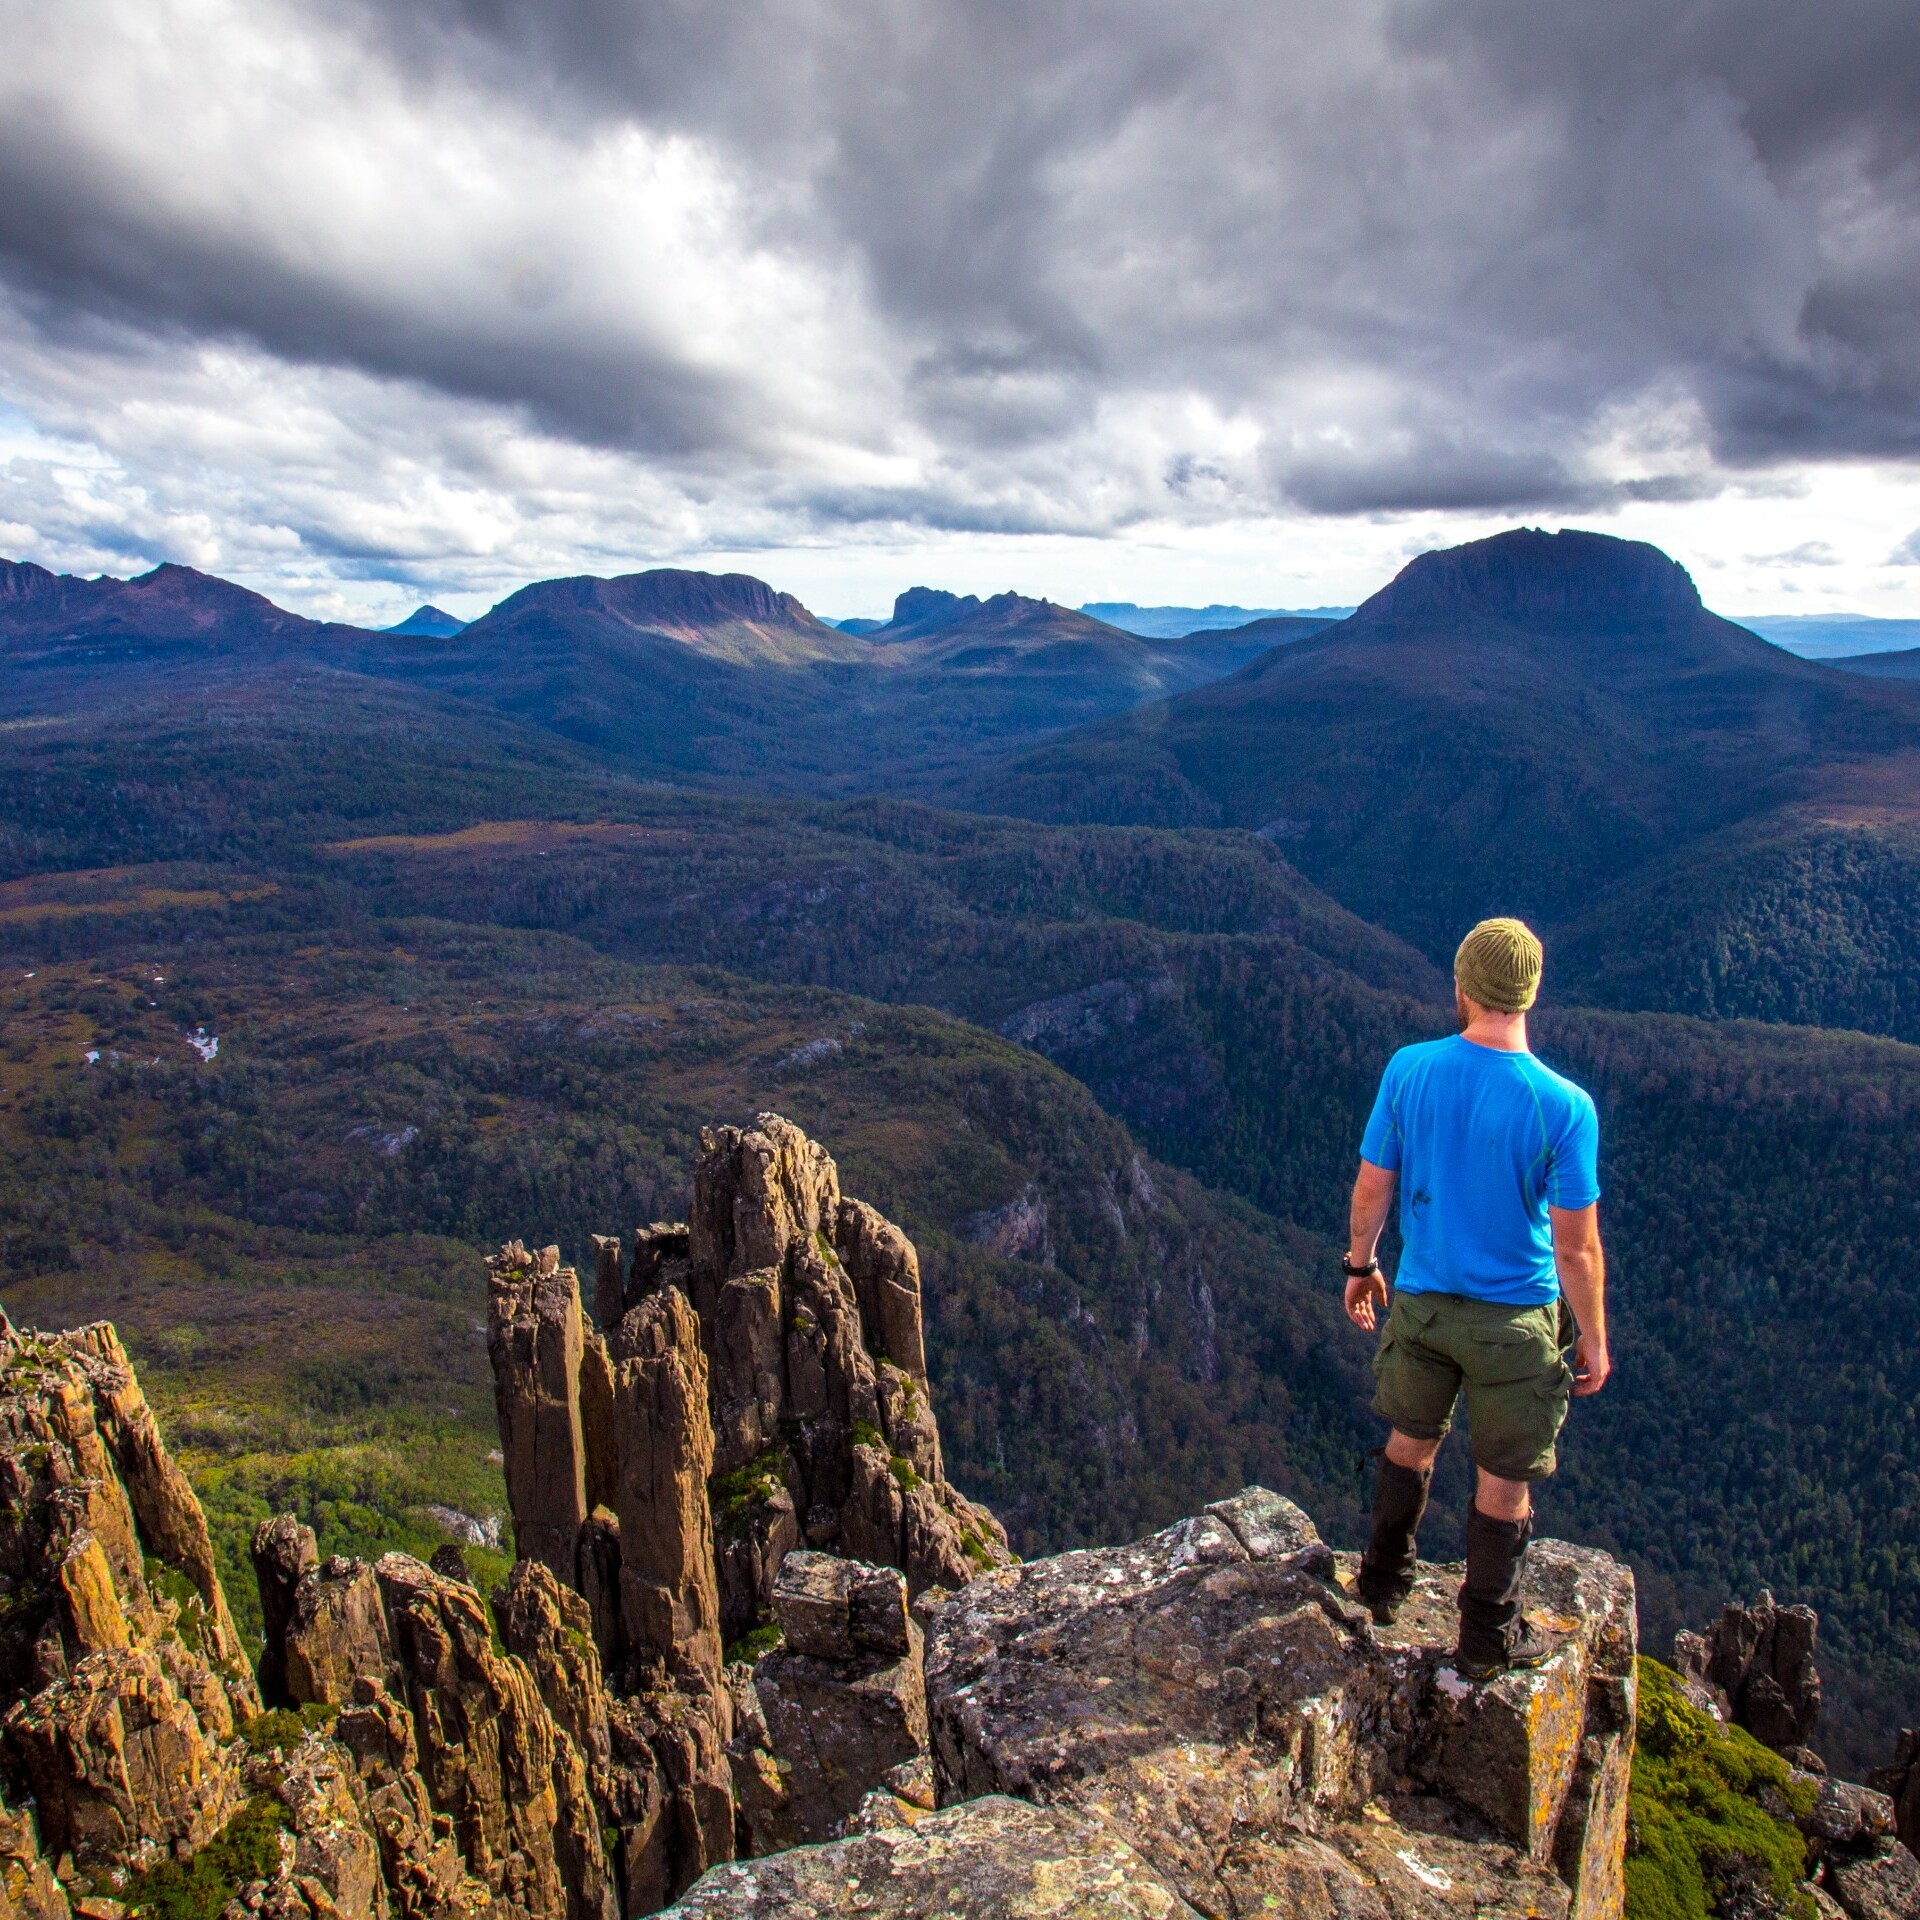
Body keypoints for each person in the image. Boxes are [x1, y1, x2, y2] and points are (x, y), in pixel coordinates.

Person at [1341, 916, 1609, 1679]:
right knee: (1504, 1480)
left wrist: (1360, 1266)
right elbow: (1576, 1246)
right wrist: (1591, 1334)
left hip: (1423, 1304)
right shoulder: (1565, 1106)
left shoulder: (1409, 1070)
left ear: (1461, 988)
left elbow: (1372, 1188)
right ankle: (1484, 1640)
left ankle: (1383, 1581)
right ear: (1529, 996)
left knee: (1409, 1440)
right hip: (1516, 1322)